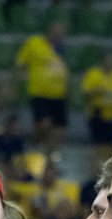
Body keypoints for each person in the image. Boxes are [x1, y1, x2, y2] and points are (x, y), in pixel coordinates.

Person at [16, 22, 68, 150]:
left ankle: (49, 156)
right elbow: (20, 62)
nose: (58, 37)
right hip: (40, 93)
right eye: (56, 33)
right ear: (49, 32)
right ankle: (33, 143)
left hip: (59, 95)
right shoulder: (34, 43)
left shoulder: (60, 50)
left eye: (61, 35)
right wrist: (18, 80)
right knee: (44, 124)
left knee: (59, 130)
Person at [81, 51, 112, 163]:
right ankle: (97, 168)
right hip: (98, 114)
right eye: (109, 60)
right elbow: (86, 93)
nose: (111, 63)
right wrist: (100, 91)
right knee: (100, 146)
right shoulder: (93, 74)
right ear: (103, 61)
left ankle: (107, 168)